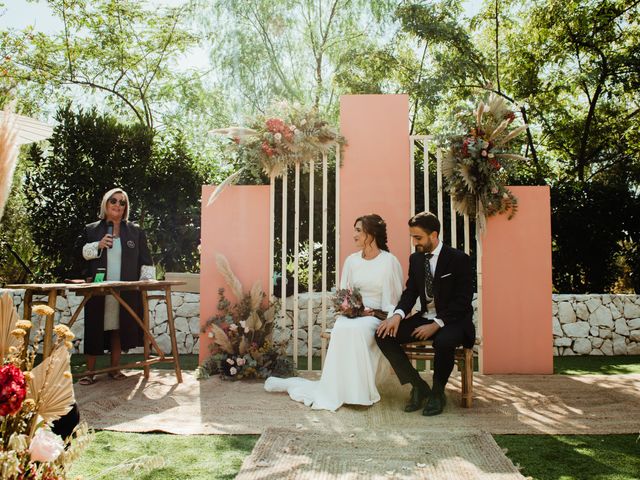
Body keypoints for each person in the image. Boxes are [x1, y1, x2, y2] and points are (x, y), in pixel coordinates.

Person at [265, 214, 403, 411]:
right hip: (353, 315)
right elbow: (343, 294)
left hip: (375, 317)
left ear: (371, 233)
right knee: (342, 327)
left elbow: (394, 301)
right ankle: (339, 389)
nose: (354, 235)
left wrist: (375, 314)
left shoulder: (389, 261)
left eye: (358, 230)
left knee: (356, 331)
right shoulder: (352, 261)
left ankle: (359, 393)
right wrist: (350, 309)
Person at [376, 211, 475, 416]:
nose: (414, 242)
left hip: (454, 320)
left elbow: (463, 301)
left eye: (418, 237)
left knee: (444, 342)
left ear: (434, 235)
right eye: (412, 237)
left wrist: (436, 324)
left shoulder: (459, 259)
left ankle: (438, 394)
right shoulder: (416, 259)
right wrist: (397, 315)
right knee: (383, 334)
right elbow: (411, 291)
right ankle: (419, 386)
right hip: (424, 316)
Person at [78, 188, 154, 385]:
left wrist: (146, 283)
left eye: (122, 202)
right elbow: (82, 255)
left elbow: (146, 260)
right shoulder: (93, 229)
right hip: (99, 289)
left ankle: (115, 369)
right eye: (114, 201)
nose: (118, 205)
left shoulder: (135, 231)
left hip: (124, 290)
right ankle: (89, 372)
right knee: (94, 327)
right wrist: (98, 245)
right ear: (106, 203)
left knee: (118, 328)